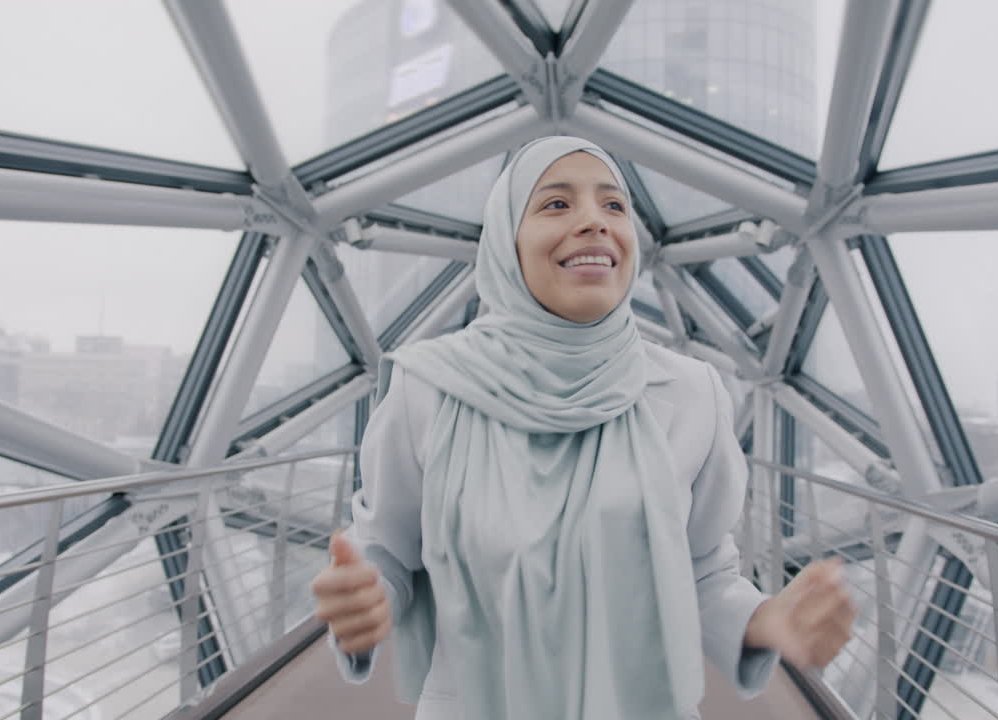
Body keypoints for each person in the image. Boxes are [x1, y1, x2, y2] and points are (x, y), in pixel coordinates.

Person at [311, 136, 854, 719]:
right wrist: (364, 600)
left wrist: (764, 619)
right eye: (556, 204)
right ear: (505, 242)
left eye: (614, 206)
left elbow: (699, 571)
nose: (595, 222)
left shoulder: (693, 393)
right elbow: (388, 553)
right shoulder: (429, 388)